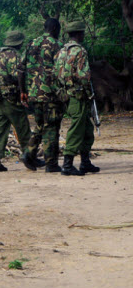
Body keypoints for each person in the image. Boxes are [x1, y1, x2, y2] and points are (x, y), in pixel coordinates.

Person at [0, 30, 37, 172]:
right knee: (22, 126)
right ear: (19, 43)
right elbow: (18, 76)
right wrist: (23, 91)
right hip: (11, 97)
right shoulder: (15, 56)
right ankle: (29, 156)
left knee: (0, 128)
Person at [54, 21, 100, 176]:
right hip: (78, 95)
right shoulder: (80, 51)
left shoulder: (62, 51)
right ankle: (67, 164)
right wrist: (89, 92)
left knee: (87, 128)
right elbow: (83, 76)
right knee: (76, 129)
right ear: (80, 34)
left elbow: (56, 74)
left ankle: (85, 162)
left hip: (67, 94)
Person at [21, 18, 64, 173]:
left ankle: (28, 154)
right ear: (54, 28)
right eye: (58, 29)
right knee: (51, 127)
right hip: (51, 94)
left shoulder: (31, 44)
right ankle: (51, 164)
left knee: (40, 125)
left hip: (33, 93)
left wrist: (23, 91)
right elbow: (61, 70)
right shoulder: (57, 45)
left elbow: (21, 70)